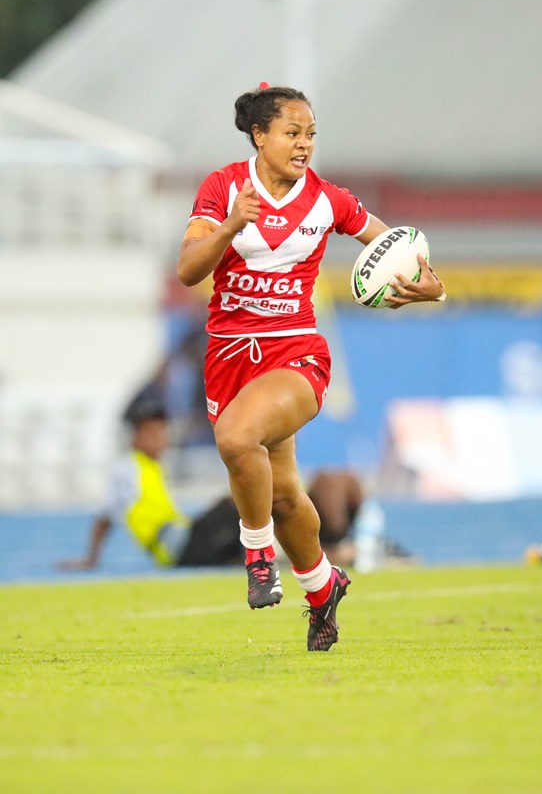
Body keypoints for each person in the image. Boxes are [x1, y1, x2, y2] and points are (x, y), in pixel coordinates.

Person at [176, 83, 446, 651]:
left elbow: (397, 245)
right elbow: (187, 270)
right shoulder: (224, 187)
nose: (304, 145)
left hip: (295, 352)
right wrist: (229, 226)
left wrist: (429, 286)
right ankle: (324, 588)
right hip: (229, 355)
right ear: (260, 135)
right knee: (283, 496)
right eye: (293, 133)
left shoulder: (330, 199)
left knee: (235, 435)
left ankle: (256, 556)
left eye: (311, 135)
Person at [57, 397, 259, 577]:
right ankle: (262, 555)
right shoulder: (127, 468)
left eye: (163, 431)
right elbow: (106, 515)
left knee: (233, 508)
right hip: (175, 545)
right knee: (237, 499)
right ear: (135, 435)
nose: (162, 438)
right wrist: (92, 557)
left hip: (183, 540)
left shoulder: (152, 466)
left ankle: (251, 556)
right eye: (154, 432)